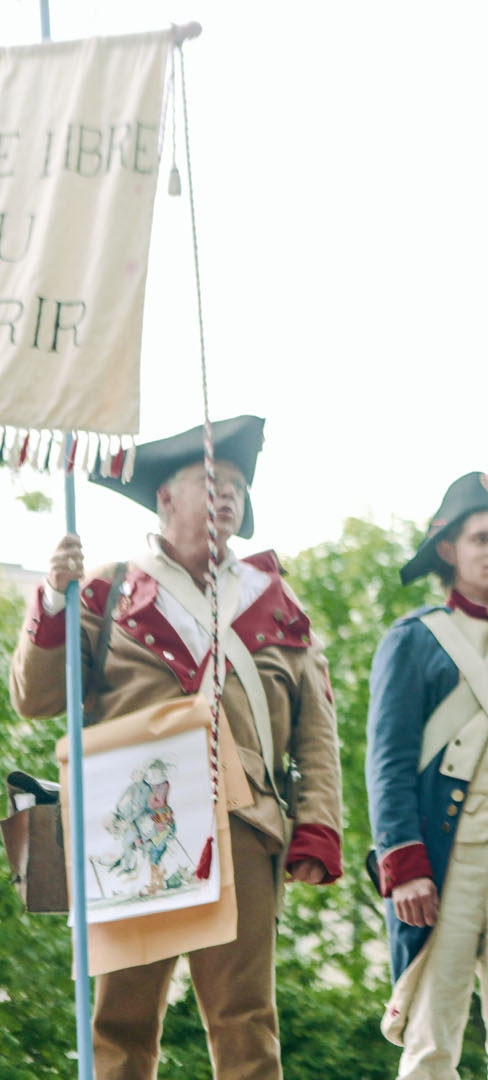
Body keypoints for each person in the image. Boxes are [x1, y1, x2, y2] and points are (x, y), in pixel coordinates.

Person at [9, 415, 344, 1080]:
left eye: (238, 488)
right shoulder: (104, 588)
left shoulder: (275, 601)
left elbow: (315, 727)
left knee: (245, 1020)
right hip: (134, 823)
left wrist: (318, 824)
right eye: (211, 482)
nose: (228, 498)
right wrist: (53, 597)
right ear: (165, 498)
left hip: (242, 819)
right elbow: (37, 698)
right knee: (120, 1025)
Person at [365, 465, 488, 1079]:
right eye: (482, 538)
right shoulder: (414, 640)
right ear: (448, 550)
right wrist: (403, 866)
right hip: (442, 862)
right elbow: (389, 760)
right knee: (429, 1047)